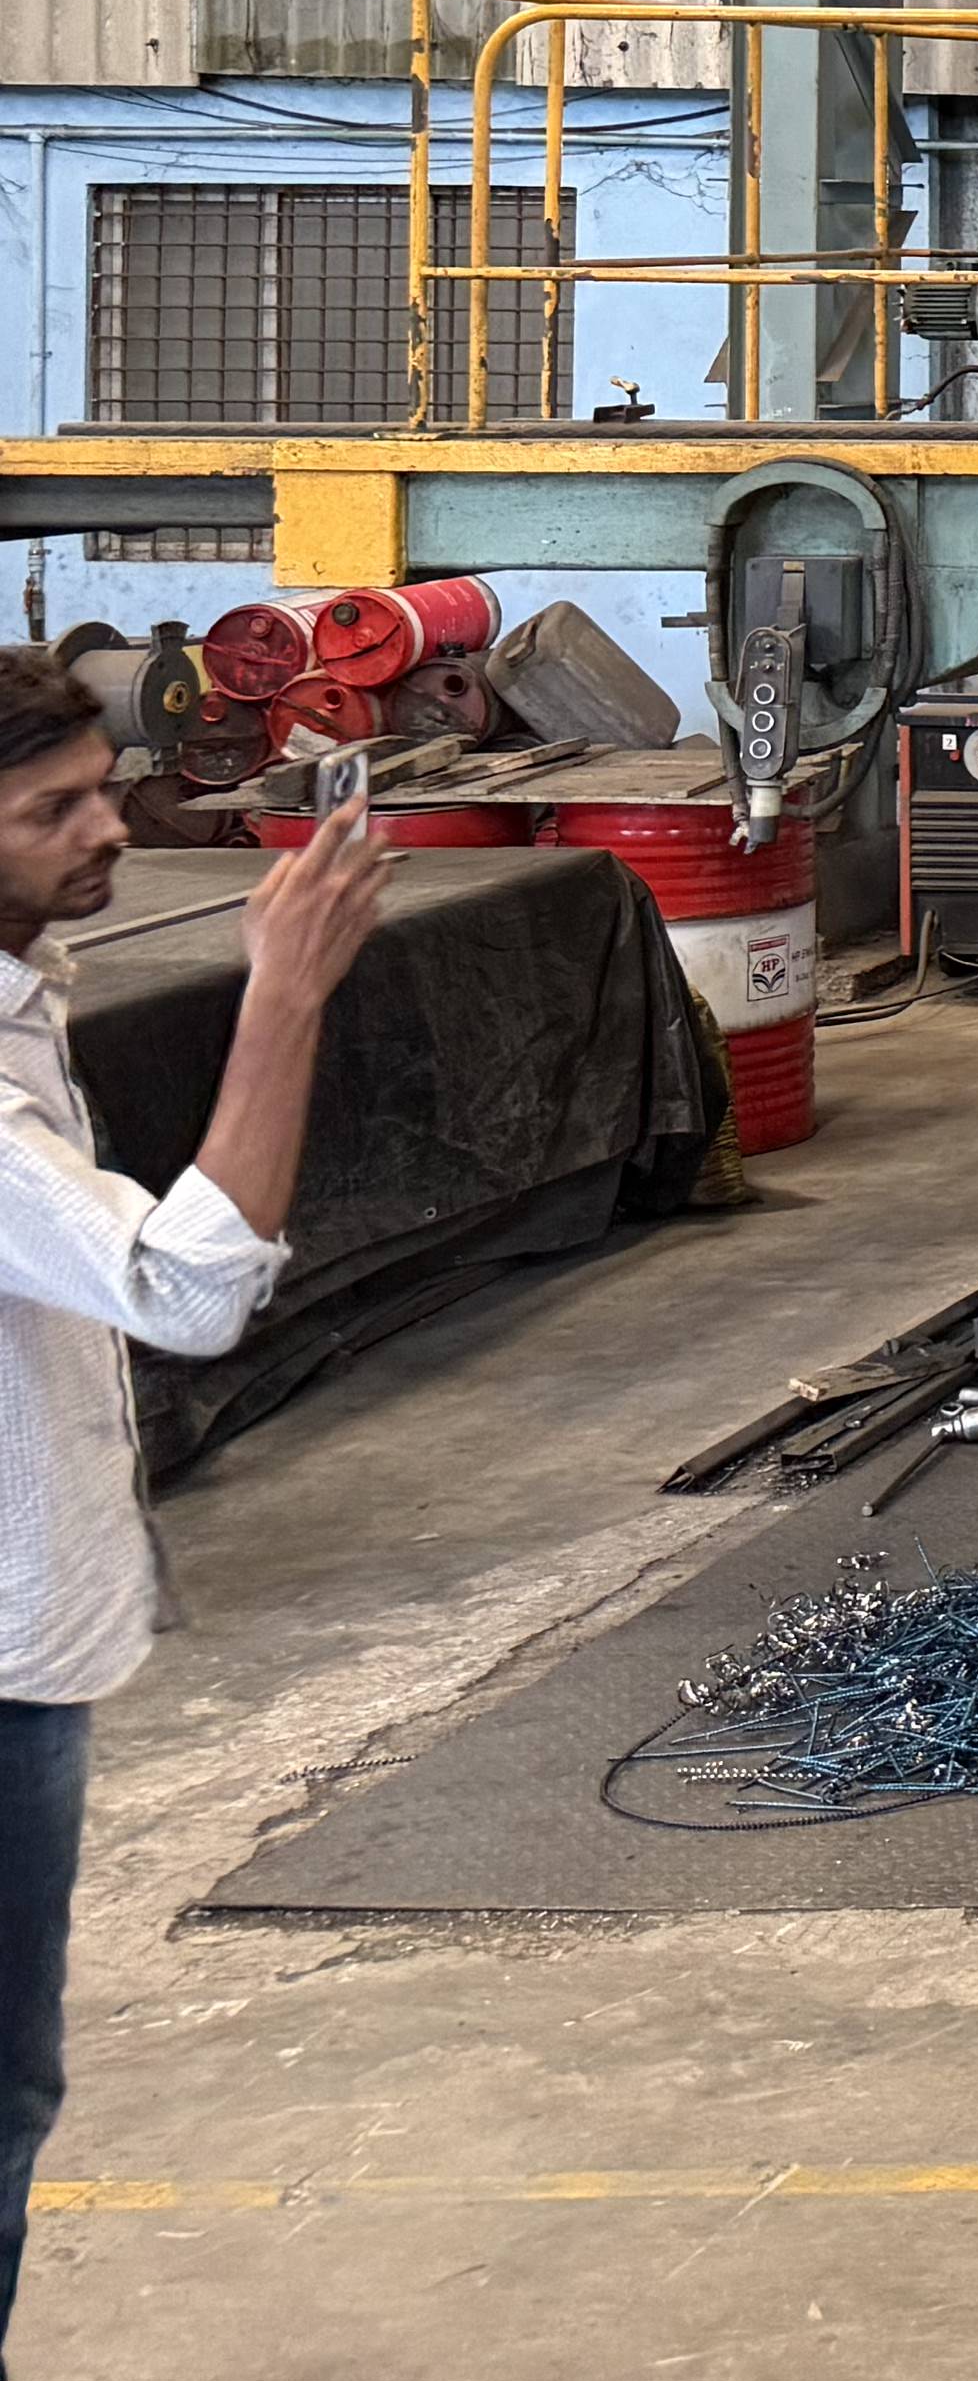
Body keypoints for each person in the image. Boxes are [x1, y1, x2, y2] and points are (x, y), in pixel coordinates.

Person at [0, 653, 374, 2341]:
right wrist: (284, 995)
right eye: (53, 810)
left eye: (101, 787)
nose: (109, 828)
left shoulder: (26, 981)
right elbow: (183, 1286)